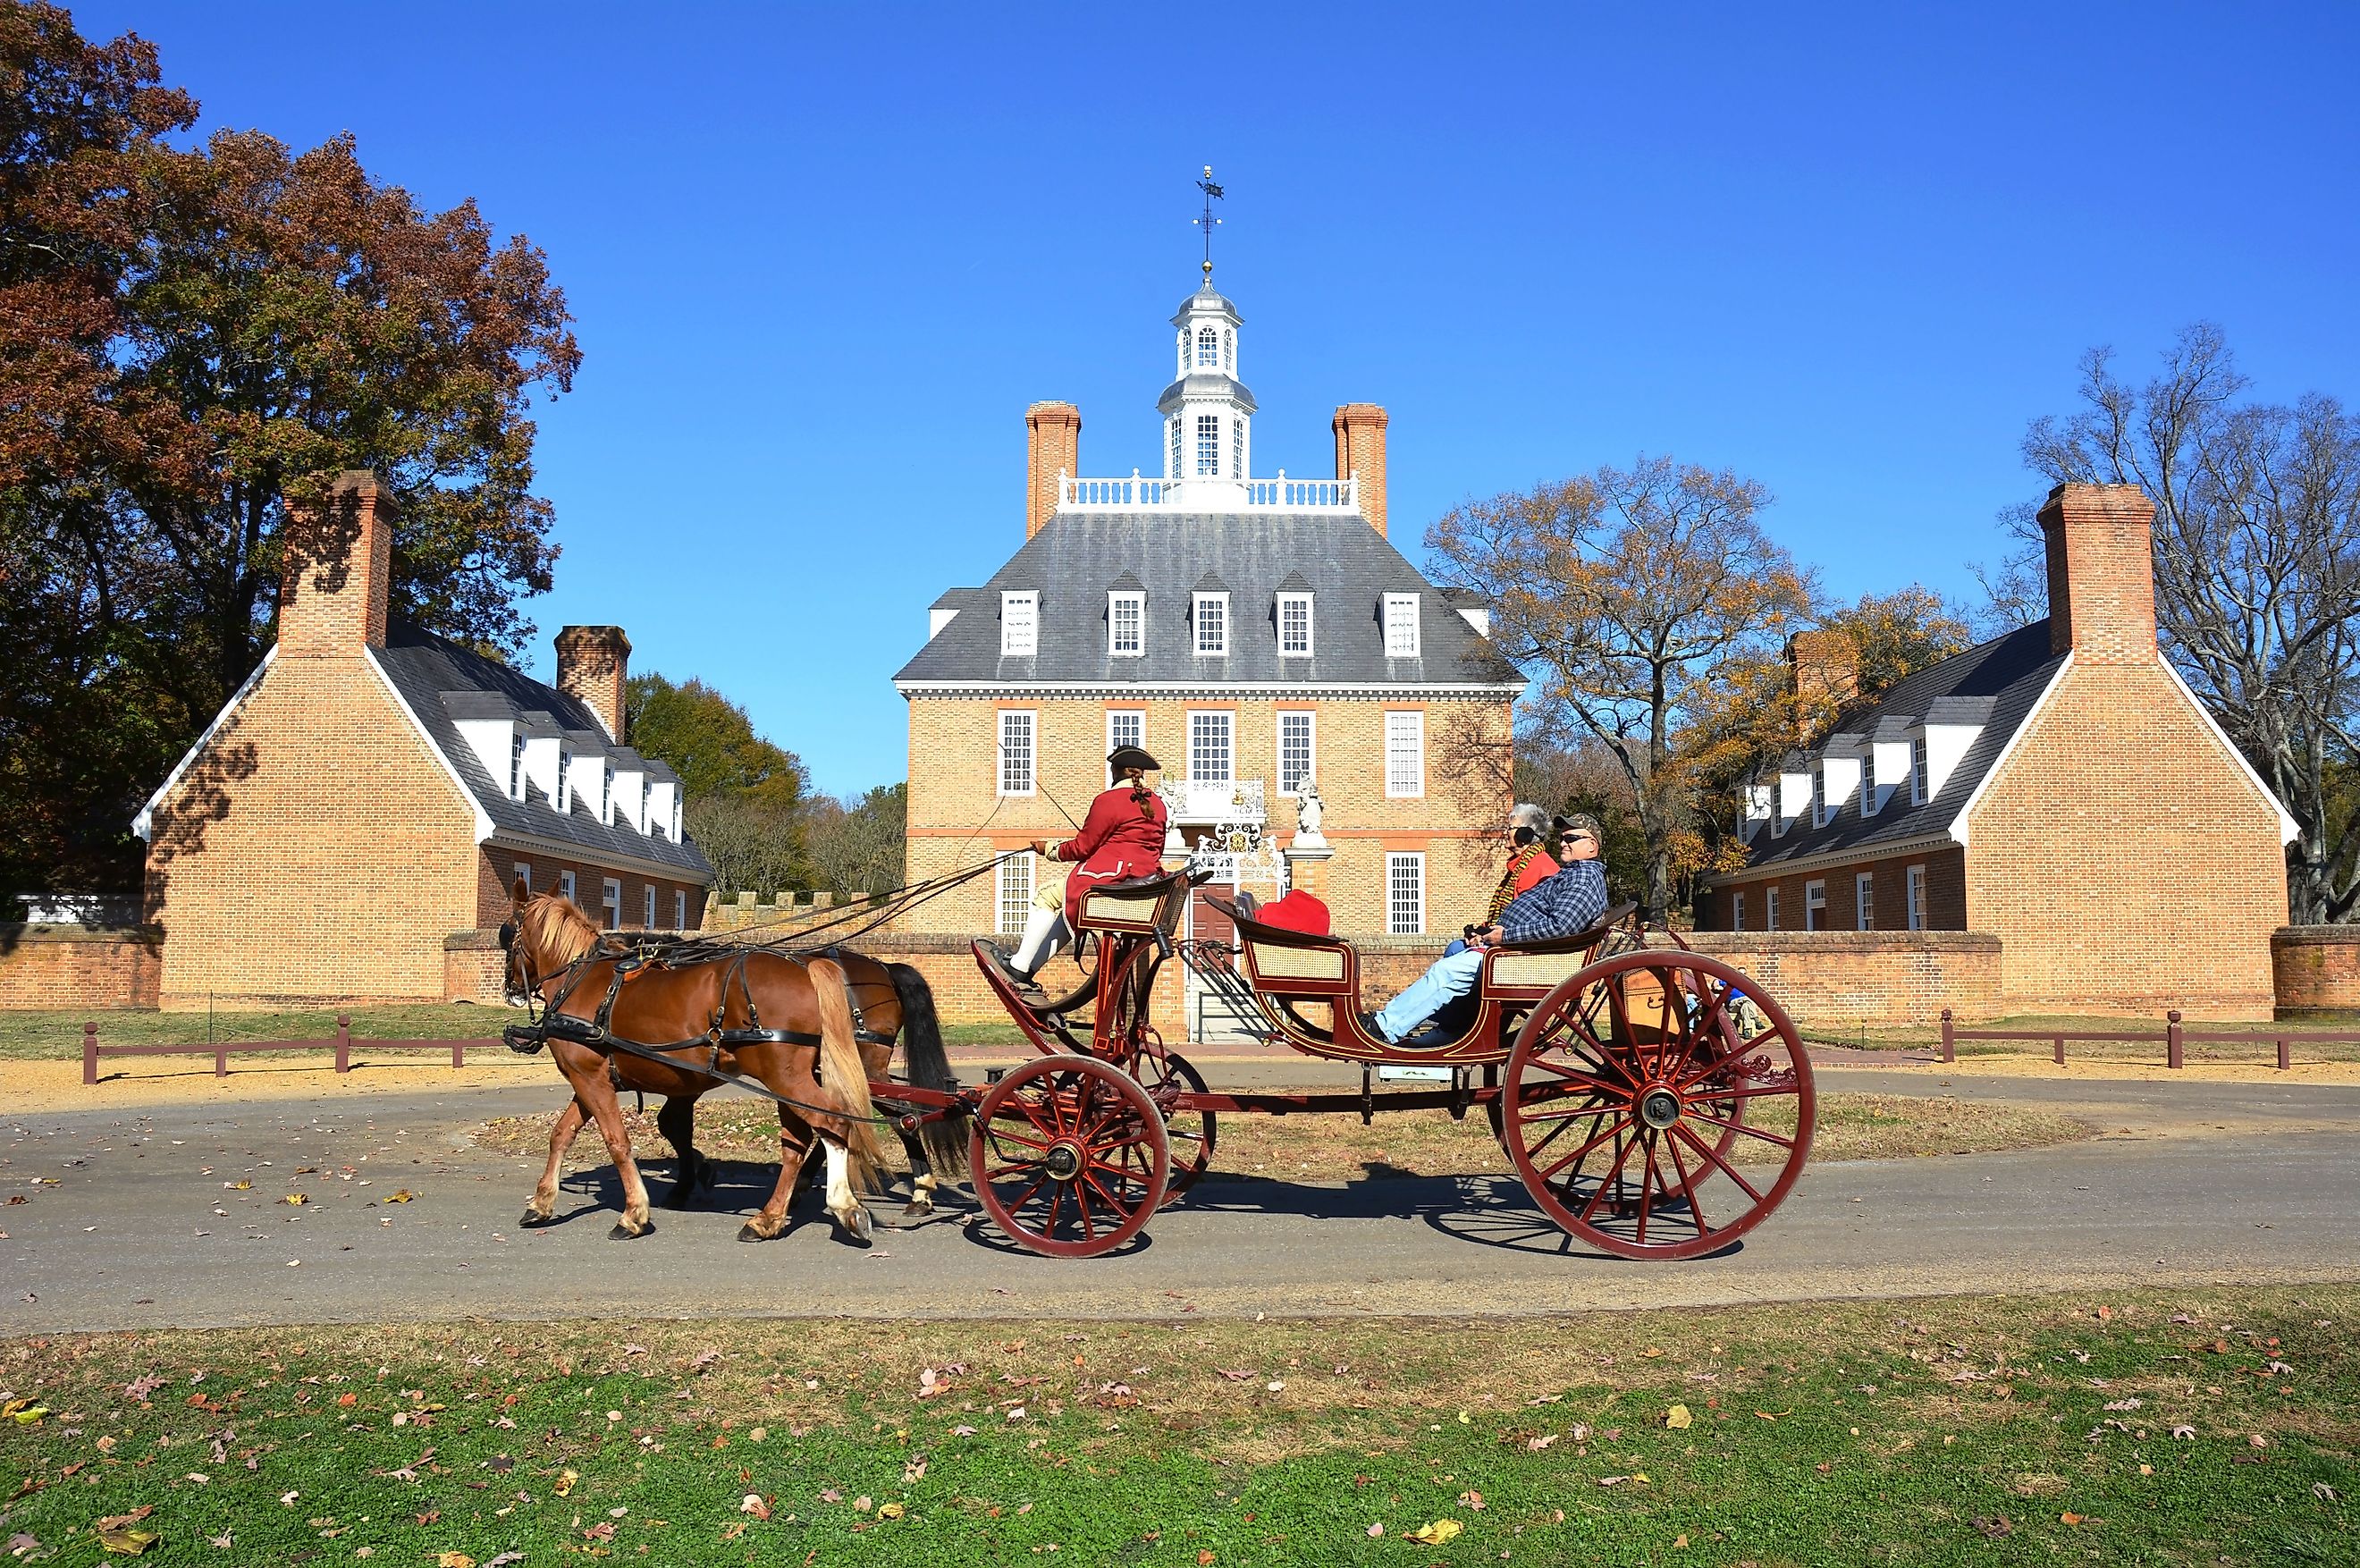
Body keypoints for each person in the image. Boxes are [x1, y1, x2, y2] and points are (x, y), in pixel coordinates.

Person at [1364, 817, 1608, 1045]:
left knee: (1446, 972)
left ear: (1591, 846)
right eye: (1562, 838)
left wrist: (1504, 936)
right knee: (1456, 952)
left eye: (1571, 838)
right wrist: (1486, 934)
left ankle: (1384, 1028)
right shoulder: (1572, 874)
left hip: (1526, 959)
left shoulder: (1584, 879)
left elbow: (1561, 928)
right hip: (1515, 951)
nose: (1563, 842)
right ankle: (1452, 1030)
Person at [990, 745, 1170, 997]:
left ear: (1117, 771)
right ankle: (1027, 968)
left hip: (1112, 884)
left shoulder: (1108, 801)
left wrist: (1048, 849)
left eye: (1111, 769)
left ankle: (1020, 964)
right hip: (1143, 886)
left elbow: (1081, 847)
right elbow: (1153, 848)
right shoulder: (1158, 805)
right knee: (1068, 909)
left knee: (1047, 895)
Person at [1445, 803, 1558, 957]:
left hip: (1516, 949)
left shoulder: (1542, 868)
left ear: (1525, 835)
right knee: (1456, 947)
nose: (1506, 832)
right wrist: (1478, 932)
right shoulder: (1519, 866)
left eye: (1511, 828)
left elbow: (1523, 919)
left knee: (1454, 950)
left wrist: (1484, 937)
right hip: (1501, 940)